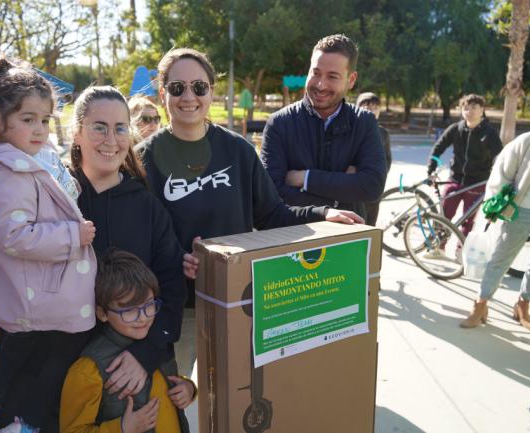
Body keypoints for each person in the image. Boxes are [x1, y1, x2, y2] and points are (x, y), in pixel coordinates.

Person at [136, 47, 363, 375]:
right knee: (175, 407)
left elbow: (273, 216)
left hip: (235, 301)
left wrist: (323, 214)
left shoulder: (238, 151)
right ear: (162, 94)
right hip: (175, 309)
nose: (189, 97)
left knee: (236, 401)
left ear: (211, 92)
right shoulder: (143, 160)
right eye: (177, 88)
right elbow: (137, 241)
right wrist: (173, 261)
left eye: (199, 87)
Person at [0, 52, 97, 433]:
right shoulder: (8, 172)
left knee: (31, 352)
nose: (40, 130)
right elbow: (14, 235)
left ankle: (11, 419)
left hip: (37, 282)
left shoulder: (32, 156)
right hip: (28, 286)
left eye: (45, 120)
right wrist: (72, 236)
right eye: (28, 120)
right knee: (21, 351)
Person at [69, 86, 187, 402]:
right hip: (66, 367)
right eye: (99, 127)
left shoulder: (146, 206)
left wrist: (146, 355)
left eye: (120, 128)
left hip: (137, 369)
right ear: (77, 133)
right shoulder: (54, 199)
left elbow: (173, 285)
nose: (111, 139)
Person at [60, 248, 195, 433]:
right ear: (102, 313)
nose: (143, 317)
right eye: (129, 310)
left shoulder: (158, 345)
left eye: (149, 305)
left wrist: (189, 388)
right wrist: (122, 428)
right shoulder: (87, 369)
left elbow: (167, 382)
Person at [260, 34, 387, 221]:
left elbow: (372, 187)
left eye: (332, 76)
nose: (321, 85)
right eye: (316, 73)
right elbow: (270, 193)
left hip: (348, 238)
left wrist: (305, 178)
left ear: (351, 80)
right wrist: (335, 202)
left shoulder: (364, 122)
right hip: (294, 237)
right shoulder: (279, 123)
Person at [460, 123, 530, 330]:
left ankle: (523, 304)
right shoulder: (529, 141)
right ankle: (481, 303)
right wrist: (494, 204)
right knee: (501, 258)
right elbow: (502, 172)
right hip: (521, 208)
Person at [426, 94, 503, 239]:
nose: (469, 111)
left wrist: (497, 177)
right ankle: (438, 246)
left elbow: (500, 156)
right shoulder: (456, 129)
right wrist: (431, 168)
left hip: (477, 183)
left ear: (482, 110)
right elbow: (438, 148)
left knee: (468, 221)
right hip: (454, 180)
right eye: (466, 107)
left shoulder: (489, 133)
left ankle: (461, 250)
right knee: (443, 215)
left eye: (474, 107)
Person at [356, 92, 392, 225]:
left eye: (375, 107)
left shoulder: (383, 133)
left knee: (370, 227)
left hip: (373, 192)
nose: (371, 110)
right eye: (366, 106)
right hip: (353, 191)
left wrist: (378, 176)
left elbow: (387, 160)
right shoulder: (350, 130)